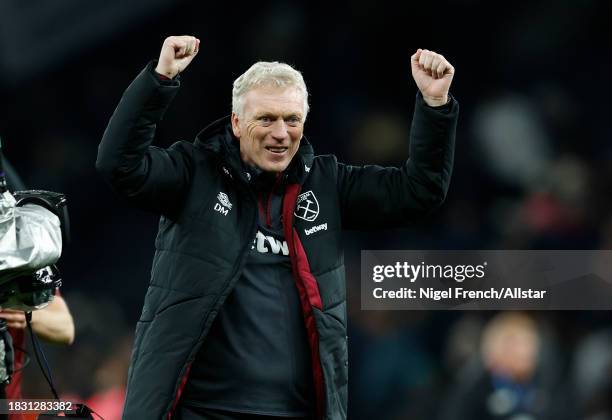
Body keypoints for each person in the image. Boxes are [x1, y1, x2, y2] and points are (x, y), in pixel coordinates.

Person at [96, 35, 458, 419]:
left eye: (292, 119)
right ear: (236, 123)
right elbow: (118, 165)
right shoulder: (194, 173)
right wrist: (160, 78)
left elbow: (419, 192)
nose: (281, 132)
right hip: (200, 411)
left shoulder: (327, 183)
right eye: (266, 118)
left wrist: (435, 104)